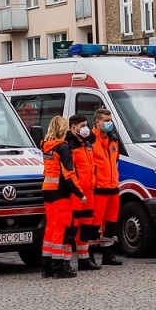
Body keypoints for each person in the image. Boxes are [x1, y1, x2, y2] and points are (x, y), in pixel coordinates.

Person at [39, 117, 80, 278]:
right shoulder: (63, 147)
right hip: (61, 192)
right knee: (62, 230)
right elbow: (69, 174)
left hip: (47, 189)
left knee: (50, 229)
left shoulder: (45, 146)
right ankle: (59, 267)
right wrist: (80, 193)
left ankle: (46, 267)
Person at [67, 114, 101, 270]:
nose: (85, 128)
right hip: (76, 193)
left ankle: (84, 259)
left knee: (86, 227)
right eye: (82, 125)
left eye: (86, 125)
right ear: (73, 127)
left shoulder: (87, 143)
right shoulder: (69, 146)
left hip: (89, 191)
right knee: (72, 228)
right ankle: (65, 261)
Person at [91, 108, 124, 265]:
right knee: (94, 224)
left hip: (113, 188)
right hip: (97, 189)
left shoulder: (113, 140)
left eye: (110, 120)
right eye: (106, 120)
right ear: (97, 122)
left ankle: (108, 254)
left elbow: (115, 162)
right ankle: (88, 255)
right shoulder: (90, 140)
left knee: (111, 222)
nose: (109, 123)